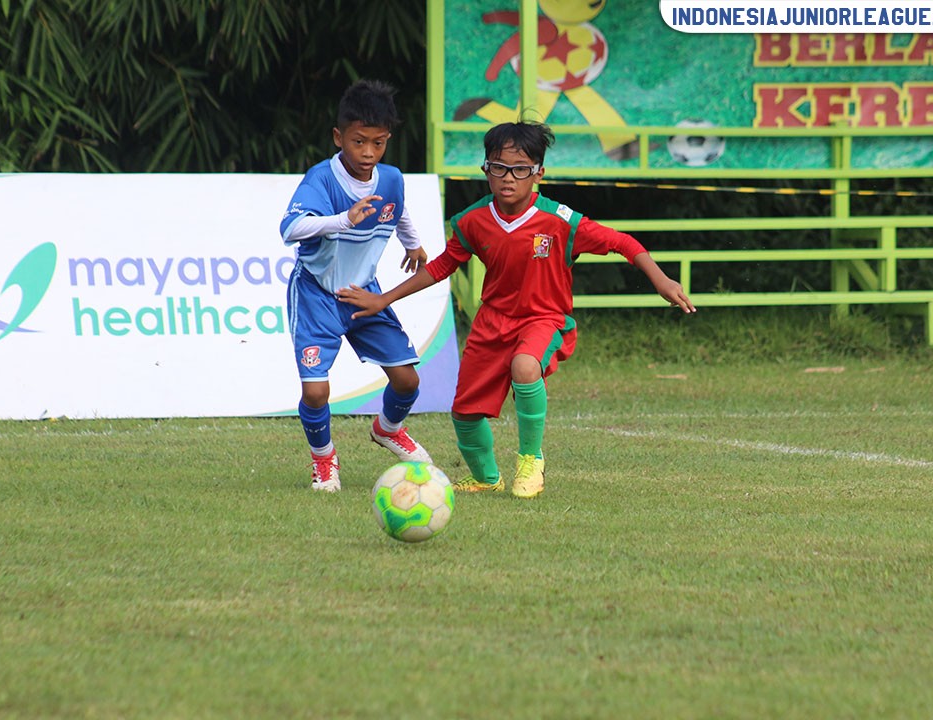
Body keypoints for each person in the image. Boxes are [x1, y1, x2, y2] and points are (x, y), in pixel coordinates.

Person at [337, 121, 695, 499]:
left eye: (520, 169)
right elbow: (442, 265)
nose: (509, 178)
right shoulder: (473, 221)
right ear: (485, 170)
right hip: (492, 323)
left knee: (525, 366)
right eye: (499, 167)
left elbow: (622, 242)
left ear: (538, 173)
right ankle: (486, 478)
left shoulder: (560, 221)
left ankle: (530, 460)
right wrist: (383, 298)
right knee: (465, 412)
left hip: (544, 318)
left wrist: (662, 281)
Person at [279, 79, 431, 493]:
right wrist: (344, 219)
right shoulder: (320, 179)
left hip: (364, 293)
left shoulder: (391, 179)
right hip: (316, 295)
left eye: (378, 143)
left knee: (407, 381)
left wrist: (413, 244)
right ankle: (324, 460)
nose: (368, 153)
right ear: (338, 137)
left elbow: (396, 211)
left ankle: (388, 429)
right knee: (315, 391)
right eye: (359, 141)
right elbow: (290, 228)